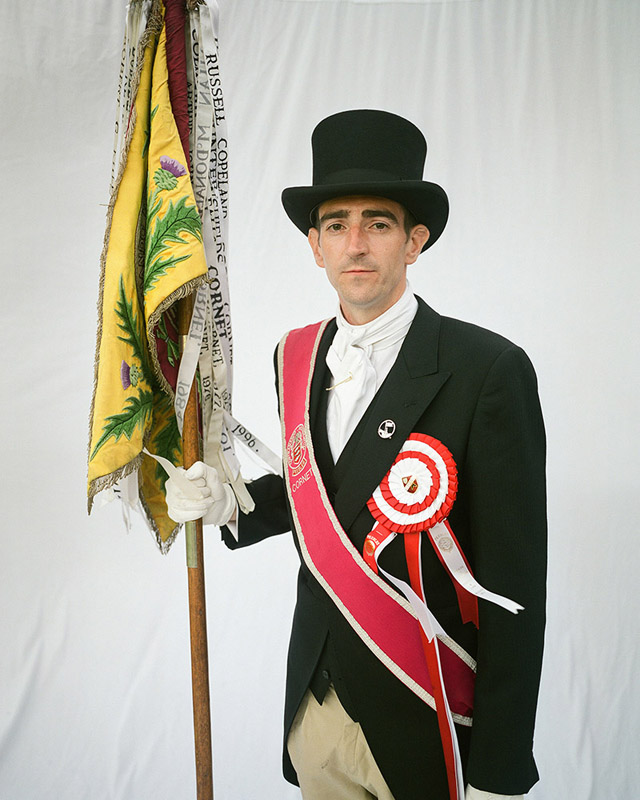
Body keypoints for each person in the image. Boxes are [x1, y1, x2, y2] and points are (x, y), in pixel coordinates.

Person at [166, 110, 547, 800]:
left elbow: (517, 585)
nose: (357, 244)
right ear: (315, 246)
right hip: (316, 707)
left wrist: (500, 765)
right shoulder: (294, 355)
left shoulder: (488, 368)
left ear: (414, 241)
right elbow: (323, 490)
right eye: (337, 224)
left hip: (430, 713)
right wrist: (233, 503)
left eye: (379, 223)